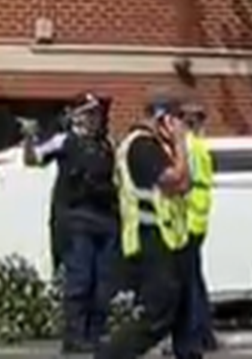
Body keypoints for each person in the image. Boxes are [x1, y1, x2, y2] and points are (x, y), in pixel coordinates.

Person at [95, 92, 196, 359]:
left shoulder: (157, 147)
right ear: (163, 118)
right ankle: (111, 355)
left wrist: (177, 150)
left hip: (171, 239)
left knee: (185, 314)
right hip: (151, 239)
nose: (184, 127)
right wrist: (180, 144)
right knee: (157, 316)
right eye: (179, 119)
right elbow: (173, 179)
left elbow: (185, 184)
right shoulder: (142, 147)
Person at [22, 92, 119, 354]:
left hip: (106, 220)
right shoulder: (64, 141)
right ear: (77, 116)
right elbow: (32, 160)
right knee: (80, 280)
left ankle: (97, 334)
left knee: (105, 283)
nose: (94, 118)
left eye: (96, 113)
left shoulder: (107, 143)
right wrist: (30, 137)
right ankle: (75, 337)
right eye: (89, 113)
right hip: (77, 221)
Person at [181, 102, 217, 354]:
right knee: (195, 279)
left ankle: (193, 335)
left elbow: (181, 180)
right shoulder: (201, 146)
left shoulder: (188, 147)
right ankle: (205, 334)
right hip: (198, 218)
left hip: (187, 219)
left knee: (188, 283)